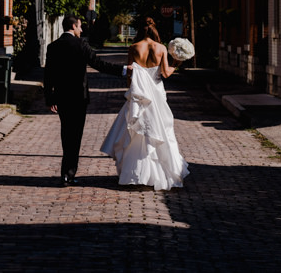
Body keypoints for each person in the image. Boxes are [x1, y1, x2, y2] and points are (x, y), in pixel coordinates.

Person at [100, 17, 189, 191]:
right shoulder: (161, 48)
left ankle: (135, 174)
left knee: (137, 133)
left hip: (139, 94)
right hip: (156, 94)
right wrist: (176, 64)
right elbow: (165, 73)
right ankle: (160, 173)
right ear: (155, 30)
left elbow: (129, 74)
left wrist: (131, 94)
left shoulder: (133, 48)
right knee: (160, 129)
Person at [44, 13, 125, 187]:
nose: (81, 29)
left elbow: (48, 75)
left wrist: (49, 99)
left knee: (66, 134)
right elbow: (99, 64)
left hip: (61, 97)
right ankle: (68, 173)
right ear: (73, 26)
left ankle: (66, 174)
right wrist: (124, 70)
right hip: (78, 98)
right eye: (80, 26)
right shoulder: (81, 45)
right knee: (75, 136)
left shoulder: (53, 46)